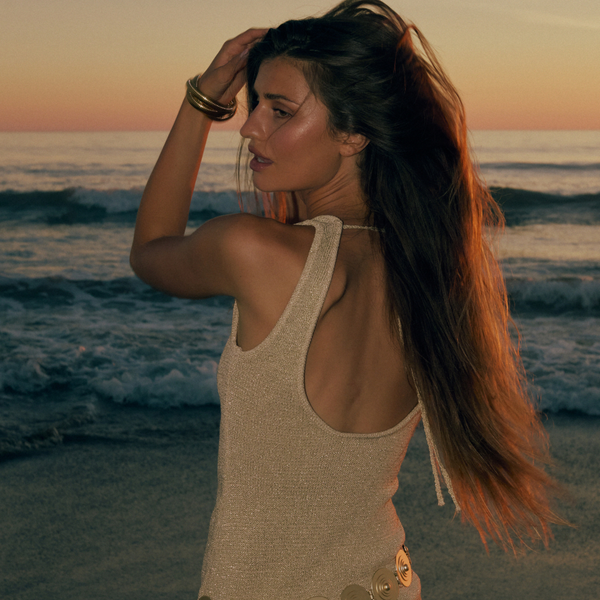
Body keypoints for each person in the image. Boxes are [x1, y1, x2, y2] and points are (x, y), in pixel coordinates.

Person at [130, 1, 564, 598]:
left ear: (354, 132)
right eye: (253, 105)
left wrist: (201, 102)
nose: (249, 127)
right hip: (389, 582)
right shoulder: (425, 267)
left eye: (280, 110)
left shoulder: (255, 251)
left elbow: (149, 250)